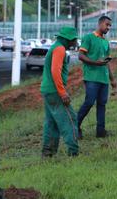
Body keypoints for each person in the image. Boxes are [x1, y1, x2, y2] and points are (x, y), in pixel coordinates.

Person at [40, 26, 79, 157]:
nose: (75, 43)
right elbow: (55, 71)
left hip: (48, 90)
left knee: (51, 123)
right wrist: (62, 92)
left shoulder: (55, 47)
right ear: (68, 39)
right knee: (70, 119)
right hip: (55, 92)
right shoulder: (59, 49)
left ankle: (48, 153)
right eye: (74, 40)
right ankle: (73, 152)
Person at [77, 15, 117, 138]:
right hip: (91, 77)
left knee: (102, 104)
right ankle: (74, 126)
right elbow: (81, 56)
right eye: (107, 24)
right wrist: (95, 63)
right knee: (89, 102)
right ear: (100, 24)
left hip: (103, 79)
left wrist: (112, 79)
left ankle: (100, 131)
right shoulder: (88, 38)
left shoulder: (105, 42)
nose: (108, 27)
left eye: (110, 25)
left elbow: (106, 62)